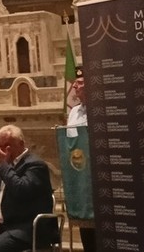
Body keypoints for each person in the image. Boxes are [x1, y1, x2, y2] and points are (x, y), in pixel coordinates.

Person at [65, 67, 95, 252]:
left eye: (80, 82)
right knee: (87, 232)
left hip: (98, 175)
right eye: (75, 82)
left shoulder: (102, 110)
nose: (75, 86)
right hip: (81, 176)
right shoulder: (74, 112)